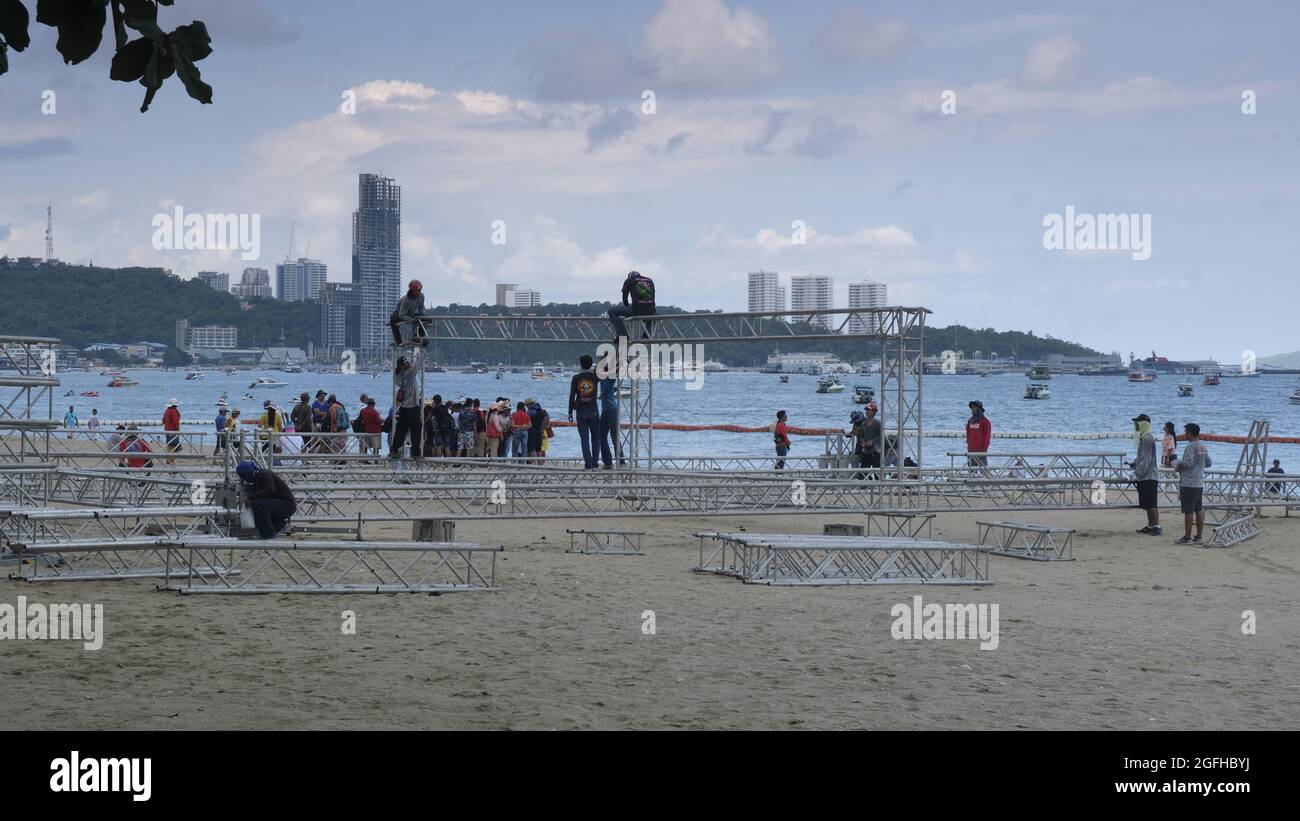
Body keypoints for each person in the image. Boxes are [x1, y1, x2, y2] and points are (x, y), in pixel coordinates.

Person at [235, 460, 296, 539]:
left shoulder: (265, 474)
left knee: (258, 504)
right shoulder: (257, 478)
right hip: (281, 505)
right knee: (258, 505)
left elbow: (269, 490)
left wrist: (251, 497)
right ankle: (279, 525)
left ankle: (268, 533)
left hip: (287, 505)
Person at [1172, 422, 1211, 544]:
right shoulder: (1202, 447)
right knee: (1198, 510)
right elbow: (1209, 463)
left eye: (1186, 432)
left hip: (1188, 483)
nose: (1184, 434)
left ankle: (1187, 537)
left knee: (1188, 511)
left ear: (1190, 432)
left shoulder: (1190, 447)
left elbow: (1188, 463)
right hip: (1199, 482)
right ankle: (1199, 536)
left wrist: (1178, 463)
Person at [1129, 413, 1162, 536]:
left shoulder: (1148, 438)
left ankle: (1156, 526)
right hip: (1145, 476)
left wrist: (1136, 474)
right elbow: (1142, 458)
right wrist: (1135, 462)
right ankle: (1150, 525)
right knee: (1147, 504)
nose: (1136, 426)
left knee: (1152, 503)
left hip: (1149, 477)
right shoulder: (1144, 438)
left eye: (1138, 423)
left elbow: (1147, 460)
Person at [569, 354, 601, 469]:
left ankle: (588, 463)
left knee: (584, 440)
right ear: (590, 364)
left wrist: (570, 412)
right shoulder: (594, 377)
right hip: (594, 411)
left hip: (581, 412)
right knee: (596, 438)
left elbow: (572, 395)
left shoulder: (576, 378)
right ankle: (595, 462)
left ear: (580, 364)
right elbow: (605, 369)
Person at [388, 356, 422, 459]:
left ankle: (394, 450)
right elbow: (417, 364)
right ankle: (415, 453)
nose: (409, 364)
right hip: (412, 407)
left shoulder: (397, 376)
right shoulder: (409, 374)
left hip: (403, 408)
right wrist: (420, 352)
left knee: (400, 431)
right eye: (407, 363)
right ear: (403, 366)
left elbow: (397, 374)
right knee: (415, 431)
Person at [608, 270, 656, 341]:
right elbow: (653, 297)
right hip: (651, 310)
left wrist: (628, 306)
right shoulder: (650, 280)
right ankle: (647, 335)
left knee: (611, 312)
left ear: (629, 276)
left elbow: (625, 299)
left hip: (637, 310)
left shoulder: (628, 280)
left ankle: (623, 335)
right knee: (653, 316)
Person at [597, 359, 622, 469]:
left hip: (612, 410)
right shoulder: (601, 380)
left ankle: (621, 461)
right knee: (601, 436)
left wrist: (620, 361)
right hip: (605, 410)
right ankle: (608, 462)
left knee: (614, 436)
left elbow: (616, 370)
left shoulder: (610, 378)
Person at [389, 279, 427, 347]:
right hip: (399, 313)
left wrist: (422, 317)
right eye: (416, 291)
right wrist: (412, 320)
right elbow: (402, 314)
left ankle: (418, 336)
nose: (418, 293)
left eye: (419, 291)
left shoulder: (421, 297)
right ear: (412, 291)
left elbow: (421, 308)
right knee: (393, 320)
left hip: (410, 313)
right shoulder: (406, 300)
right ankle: (398, 341)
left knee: (425, 319)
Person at [858, 402, 883, 477]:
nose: (867, 412)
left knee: (877, 471)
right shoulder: (863, 424)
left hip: (876, 451)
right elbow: (861, 436)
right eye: (866, 410)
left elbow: (881, 436)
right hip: (866, 451)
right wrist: (862, 443)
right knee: (863, 471)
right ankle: (863, 487)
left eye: (869, 410)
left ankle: (879, 487)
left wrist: (872, 441)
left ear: (874, 412)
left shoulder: (877, 423)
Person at [965, 400, 991, 470]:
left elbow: (987, 437)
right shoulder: (970, 421)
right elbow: (968, 433)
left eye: (975, 407)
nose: (973, 409)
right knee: (972, 472)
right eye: (972, 407)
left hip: (981, 451)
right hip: (971, 450)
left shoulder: (985, 422)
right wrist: (969, 445)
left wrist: (984, 449)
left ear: (979, 409)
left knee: (983, 471)